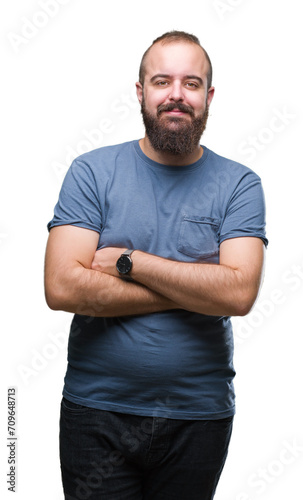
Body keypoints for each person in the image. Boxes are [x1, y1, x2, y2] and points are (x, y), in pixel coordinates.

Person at [45, 31, 268, 500]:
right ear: (141, 92)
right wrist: (195, 289)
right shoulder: (92, 172)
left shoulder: (240, 185)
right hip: (95, 414)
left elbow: (238, 294)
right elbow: (62, 287)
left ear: (208, 97)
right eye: (162, 81)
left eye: (191, 84)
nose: (175, 95)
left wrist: (131, 262)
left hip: (198, 418)